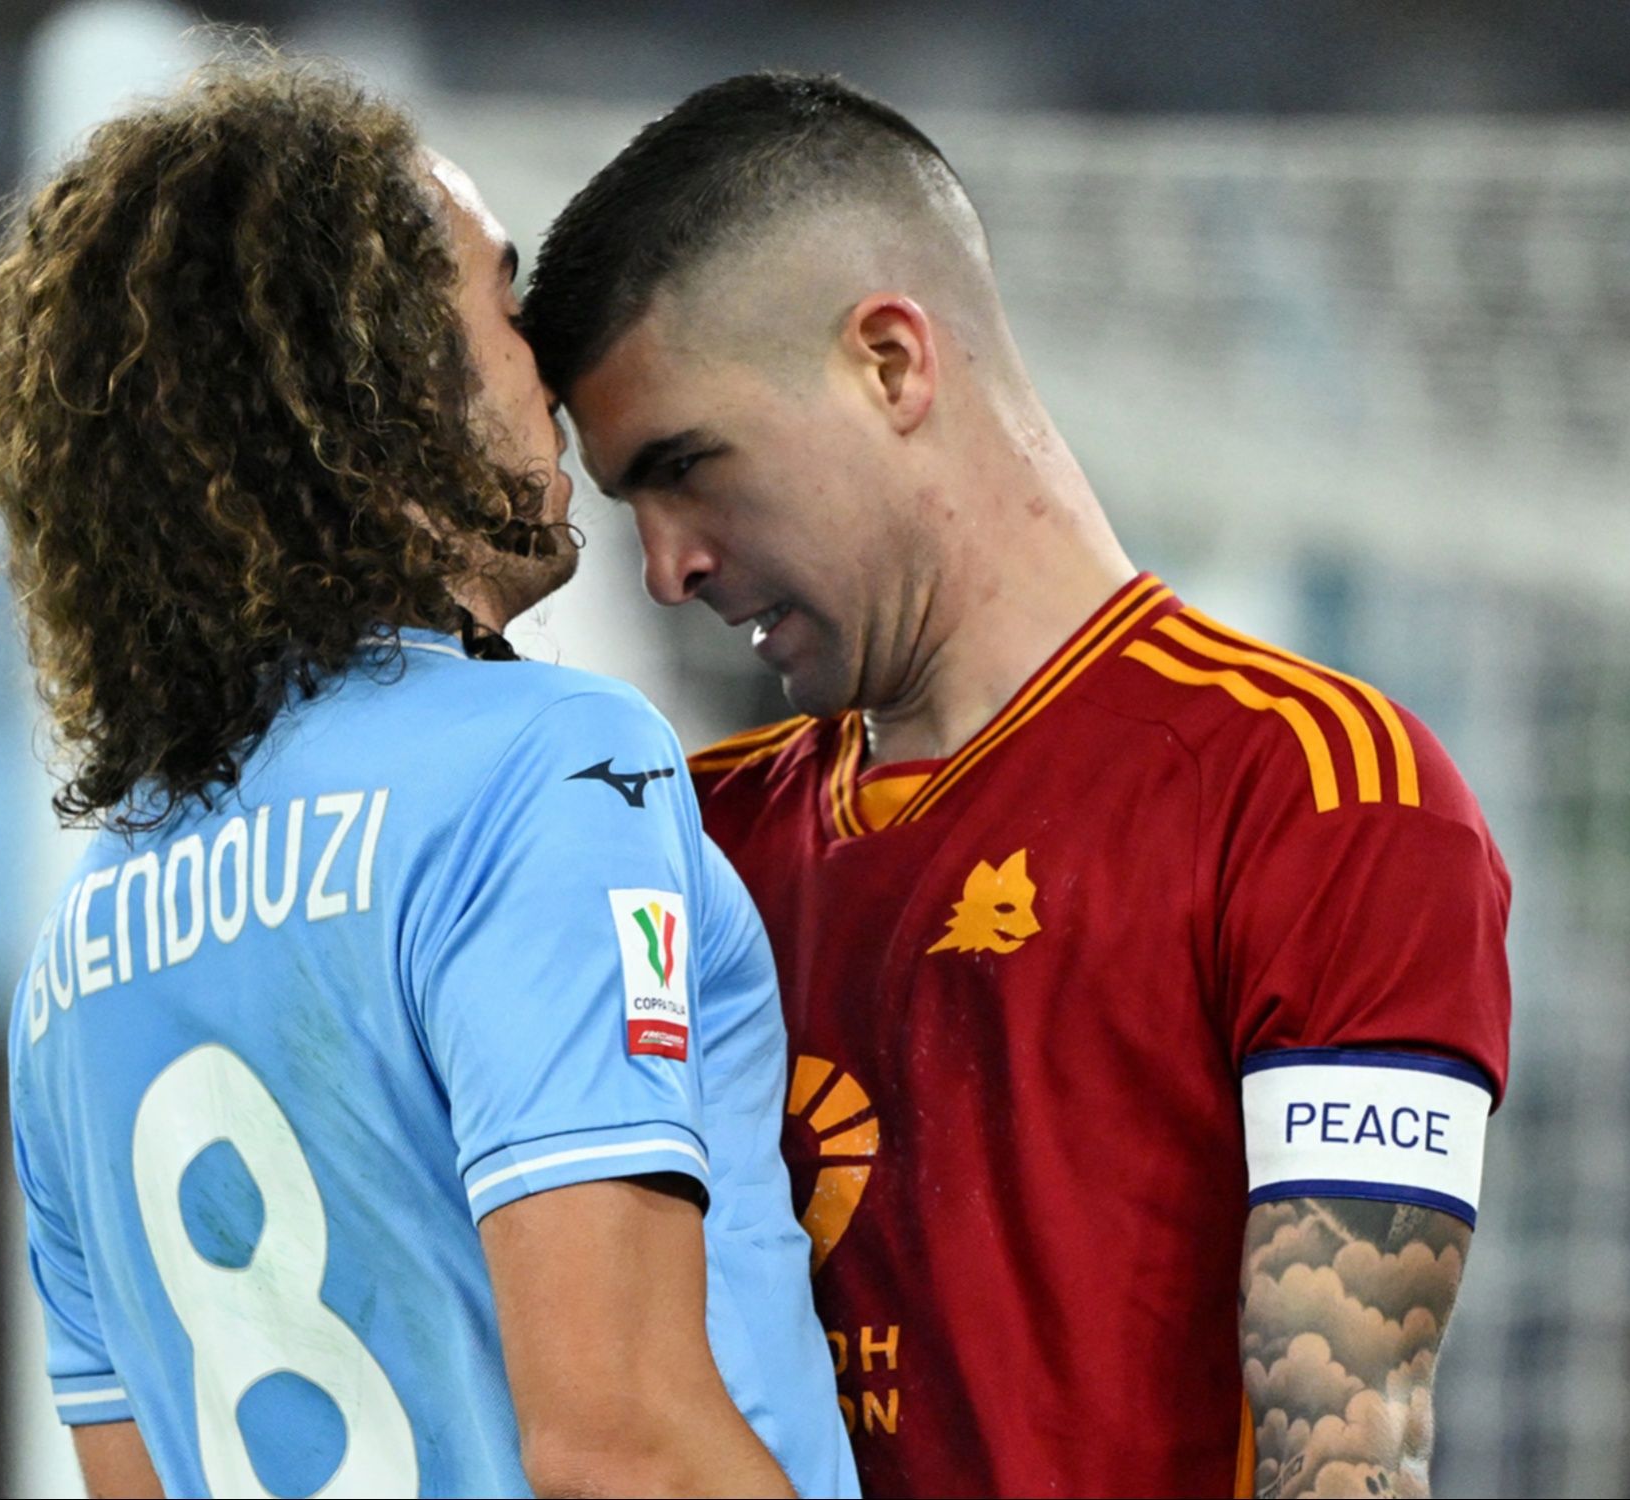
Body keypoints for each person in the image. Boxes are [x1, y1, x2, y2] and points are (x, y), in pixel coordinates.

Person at [524, 72, 1512, 1499]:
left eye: (690, 471)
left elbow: (1348, 1445)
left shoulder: (1320, 797)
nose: (669, 566)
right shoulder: (672, 844)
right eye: (632, 504)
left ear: (889, 364)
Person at [0, 55, 853, 1499]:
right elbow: (620, 1445)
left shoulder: (79, 960)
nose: (547, 376)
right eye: (501, 311)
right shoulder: (550, 767)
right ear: (373, 377)